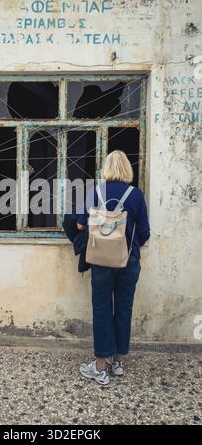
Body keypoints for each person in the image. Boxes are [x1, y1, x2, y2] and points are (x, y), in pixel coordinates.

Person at [77, 150, 150, 386]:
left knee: (102, 309)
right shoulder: (136, 195)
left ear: (106, 168)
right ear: (127, 168)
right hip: (129, 261)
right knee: (124, 309)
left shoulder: (96, 192)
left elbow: (80, 223)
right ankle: (117, 362)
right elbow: (144, 233)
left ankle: (100, 367)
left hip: (101, 261)